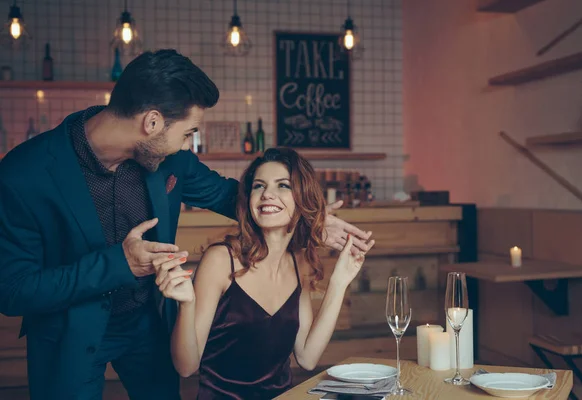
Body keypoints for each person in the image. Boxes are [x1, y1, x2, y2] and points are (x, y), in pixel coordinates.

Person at [0, 50, 373, 400]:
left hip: (148, 325)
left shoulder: (171, 160)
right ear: (152, 123)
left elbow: (239, 197)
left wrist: (312, 219)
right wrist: (120, 264)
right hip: (67, 333)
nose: (187, 145)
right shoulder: (24, 173)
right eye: (187, 133)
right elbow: (13, 290)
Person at [156, 147, 373, 399]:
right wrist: (187, 304)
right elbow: (186, 367)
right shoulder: (221, 260)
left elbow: (307, 357)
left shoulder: (298, 263)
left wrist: (340, 281)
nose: (267, 194)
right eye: (259, 186)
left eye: (283, 185)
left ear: (303, 199)